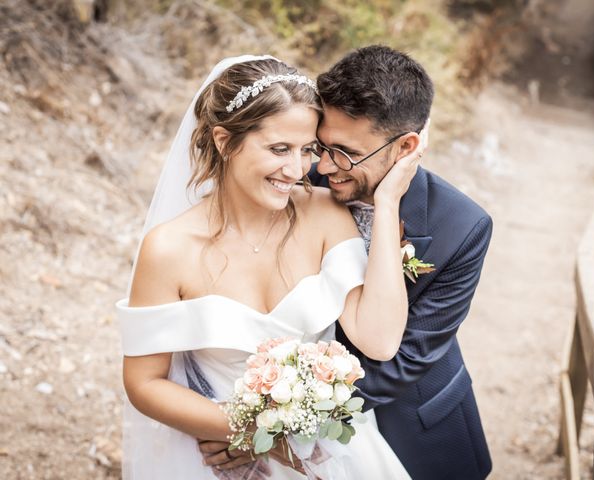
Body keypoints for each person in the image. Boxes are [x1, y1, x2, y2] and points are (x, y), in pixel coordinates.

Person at [116, 54, 423, 479]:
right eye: (279, 149)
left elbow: (380, 340)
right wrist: (251, 432)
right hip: (215, 454)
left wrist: (386, 205)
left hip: (332, 456)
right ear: (224, 142)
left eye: (308, 150)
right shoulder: (169, 249)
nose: (298, 170)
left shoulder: (324, 215)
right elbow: (144, 384)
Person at [307, 45, 494, 479]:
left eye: (345, 152)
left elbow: (404, 362)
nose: (323, 164)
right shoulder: (296, 182)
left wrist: (290, 416)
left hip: (414, 427)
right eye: (321, 144)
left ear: (406, 146)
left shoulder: (463, 226)